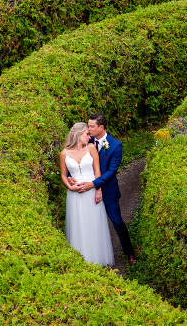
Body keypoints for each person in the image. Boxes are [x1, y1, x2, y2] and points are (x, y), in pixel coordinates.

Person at [71, 113, 137, 265]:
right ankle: (90, 254)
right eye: (88, 126)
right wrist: (69, 175)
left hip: (107, 191)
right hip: (86, 192)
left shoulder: (115, 146)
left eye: (91, 126)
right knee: (88, 223)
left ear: (101, 127)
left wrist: (94, 184)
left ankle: (130, 252)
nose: (88, 129)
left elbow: (111, 172)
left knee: (117, 221)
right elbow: (75, 157)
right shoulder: (85, 139)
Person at [59, 122, 114, 267]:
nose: (89, 137)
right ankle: (82, 261)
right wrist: (70, 187)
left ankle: (97, 259)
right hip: (75, 196)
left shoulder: (91, 148)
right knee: (79, 226)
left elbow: (97, 171)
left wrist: (98, 190)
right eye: (87, 134)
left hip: (91, 192)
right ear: (78, 134)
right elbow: (64, 175)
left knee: (94, 225)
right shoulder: (64, 153)